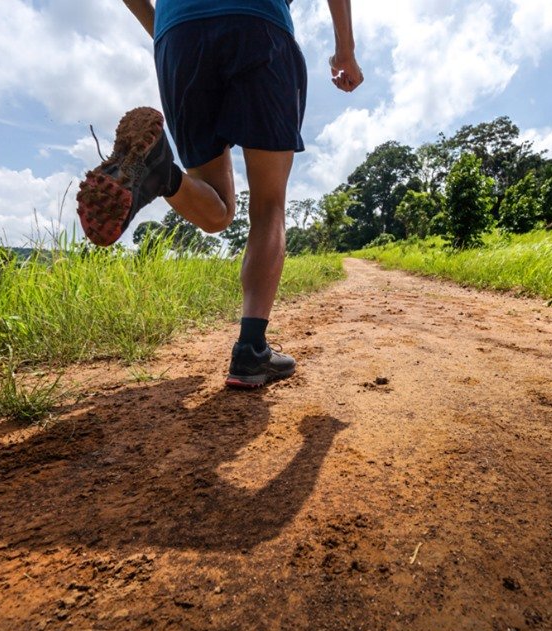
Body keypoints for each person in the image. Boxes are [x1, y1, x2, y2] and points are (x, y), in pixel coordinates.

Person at [76, 0, 363, 389]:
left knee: (218, 212)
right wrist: (345, 51)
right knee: (269, 205)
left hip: (179, 36)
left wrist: (166, 30)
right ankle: (251, 350)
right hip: (259, 25)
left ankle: (163, 174)